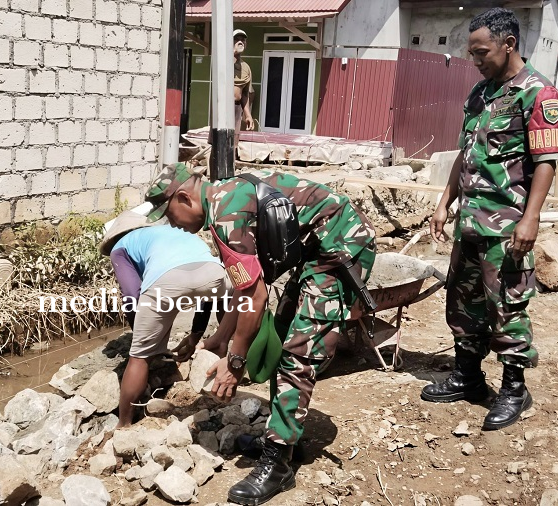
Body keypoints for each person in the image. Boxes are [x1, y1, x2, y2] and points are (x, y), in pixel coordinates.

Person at [144, 162, 375, 505]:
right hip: (317, 253)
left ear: (184, 198)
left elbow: (256, 296)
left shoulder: (225, 217)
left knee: (297, 355)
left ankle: (279, 461)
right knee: (280, 338)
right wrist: (221, 337)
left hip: (341, 251)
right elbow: (245, 285)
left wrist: (235, 362)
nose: (174, 224)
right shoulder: (223, 196)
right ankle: (284, 438)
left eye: (170, 214)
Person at [421, 8, 558, 430]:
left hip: (506, 226)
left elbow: (545, 161)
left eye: (482, 52)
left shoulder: (539, 94)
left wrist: (530, 218)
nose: (476, 60)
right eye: (472, 53)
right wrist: (444, 201)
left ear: (508, 44)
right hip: (470, 222)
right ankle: (468, 376)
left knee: (508, 306)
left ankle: (514, 389)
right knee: (464, 304)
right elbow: (465, 154)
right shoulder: (480, 94)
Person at [100, 204, 231, 428]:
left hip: (167, 281)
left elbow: (132, 294)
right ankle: (228, 360)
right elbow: (201, 288)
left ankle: (124, 425)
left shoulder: (119, 248)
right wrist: (195, 335)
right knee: (224, 299)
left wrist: (143, 337)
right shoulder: (173, 232)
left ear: (113, 238)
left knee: (139, 357)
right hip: (214, 273)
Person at [233, 29, 254, 133]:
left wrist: (248, 115)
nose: (240, 42)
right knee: (220, 141)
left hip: (236, 108)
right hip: (222, 108)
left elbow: (245, 94)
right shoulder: (223, 61)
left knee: (234, 142)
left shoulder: (246, 67)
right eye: (236, 39)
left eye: (243, 40)